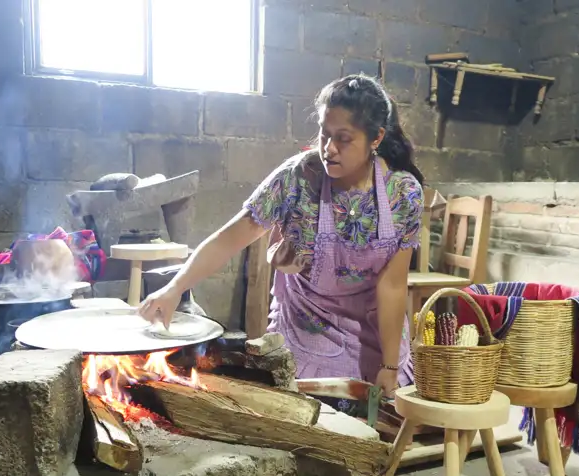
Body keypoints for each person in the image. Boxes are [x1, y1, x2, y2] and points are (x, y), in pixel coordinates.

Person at [138, 74, 424, 404]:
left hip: (373, 332)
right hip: (306, 328)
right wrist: (175, 287)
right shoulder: (297, 178)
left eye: (343, 139)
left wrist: (389, 364)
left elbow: (391, 285)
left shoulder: (403, 195)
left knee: (379, 411)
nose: (328, 149)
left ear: (376, 138)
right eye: (323, 133)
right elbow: (231, 238)